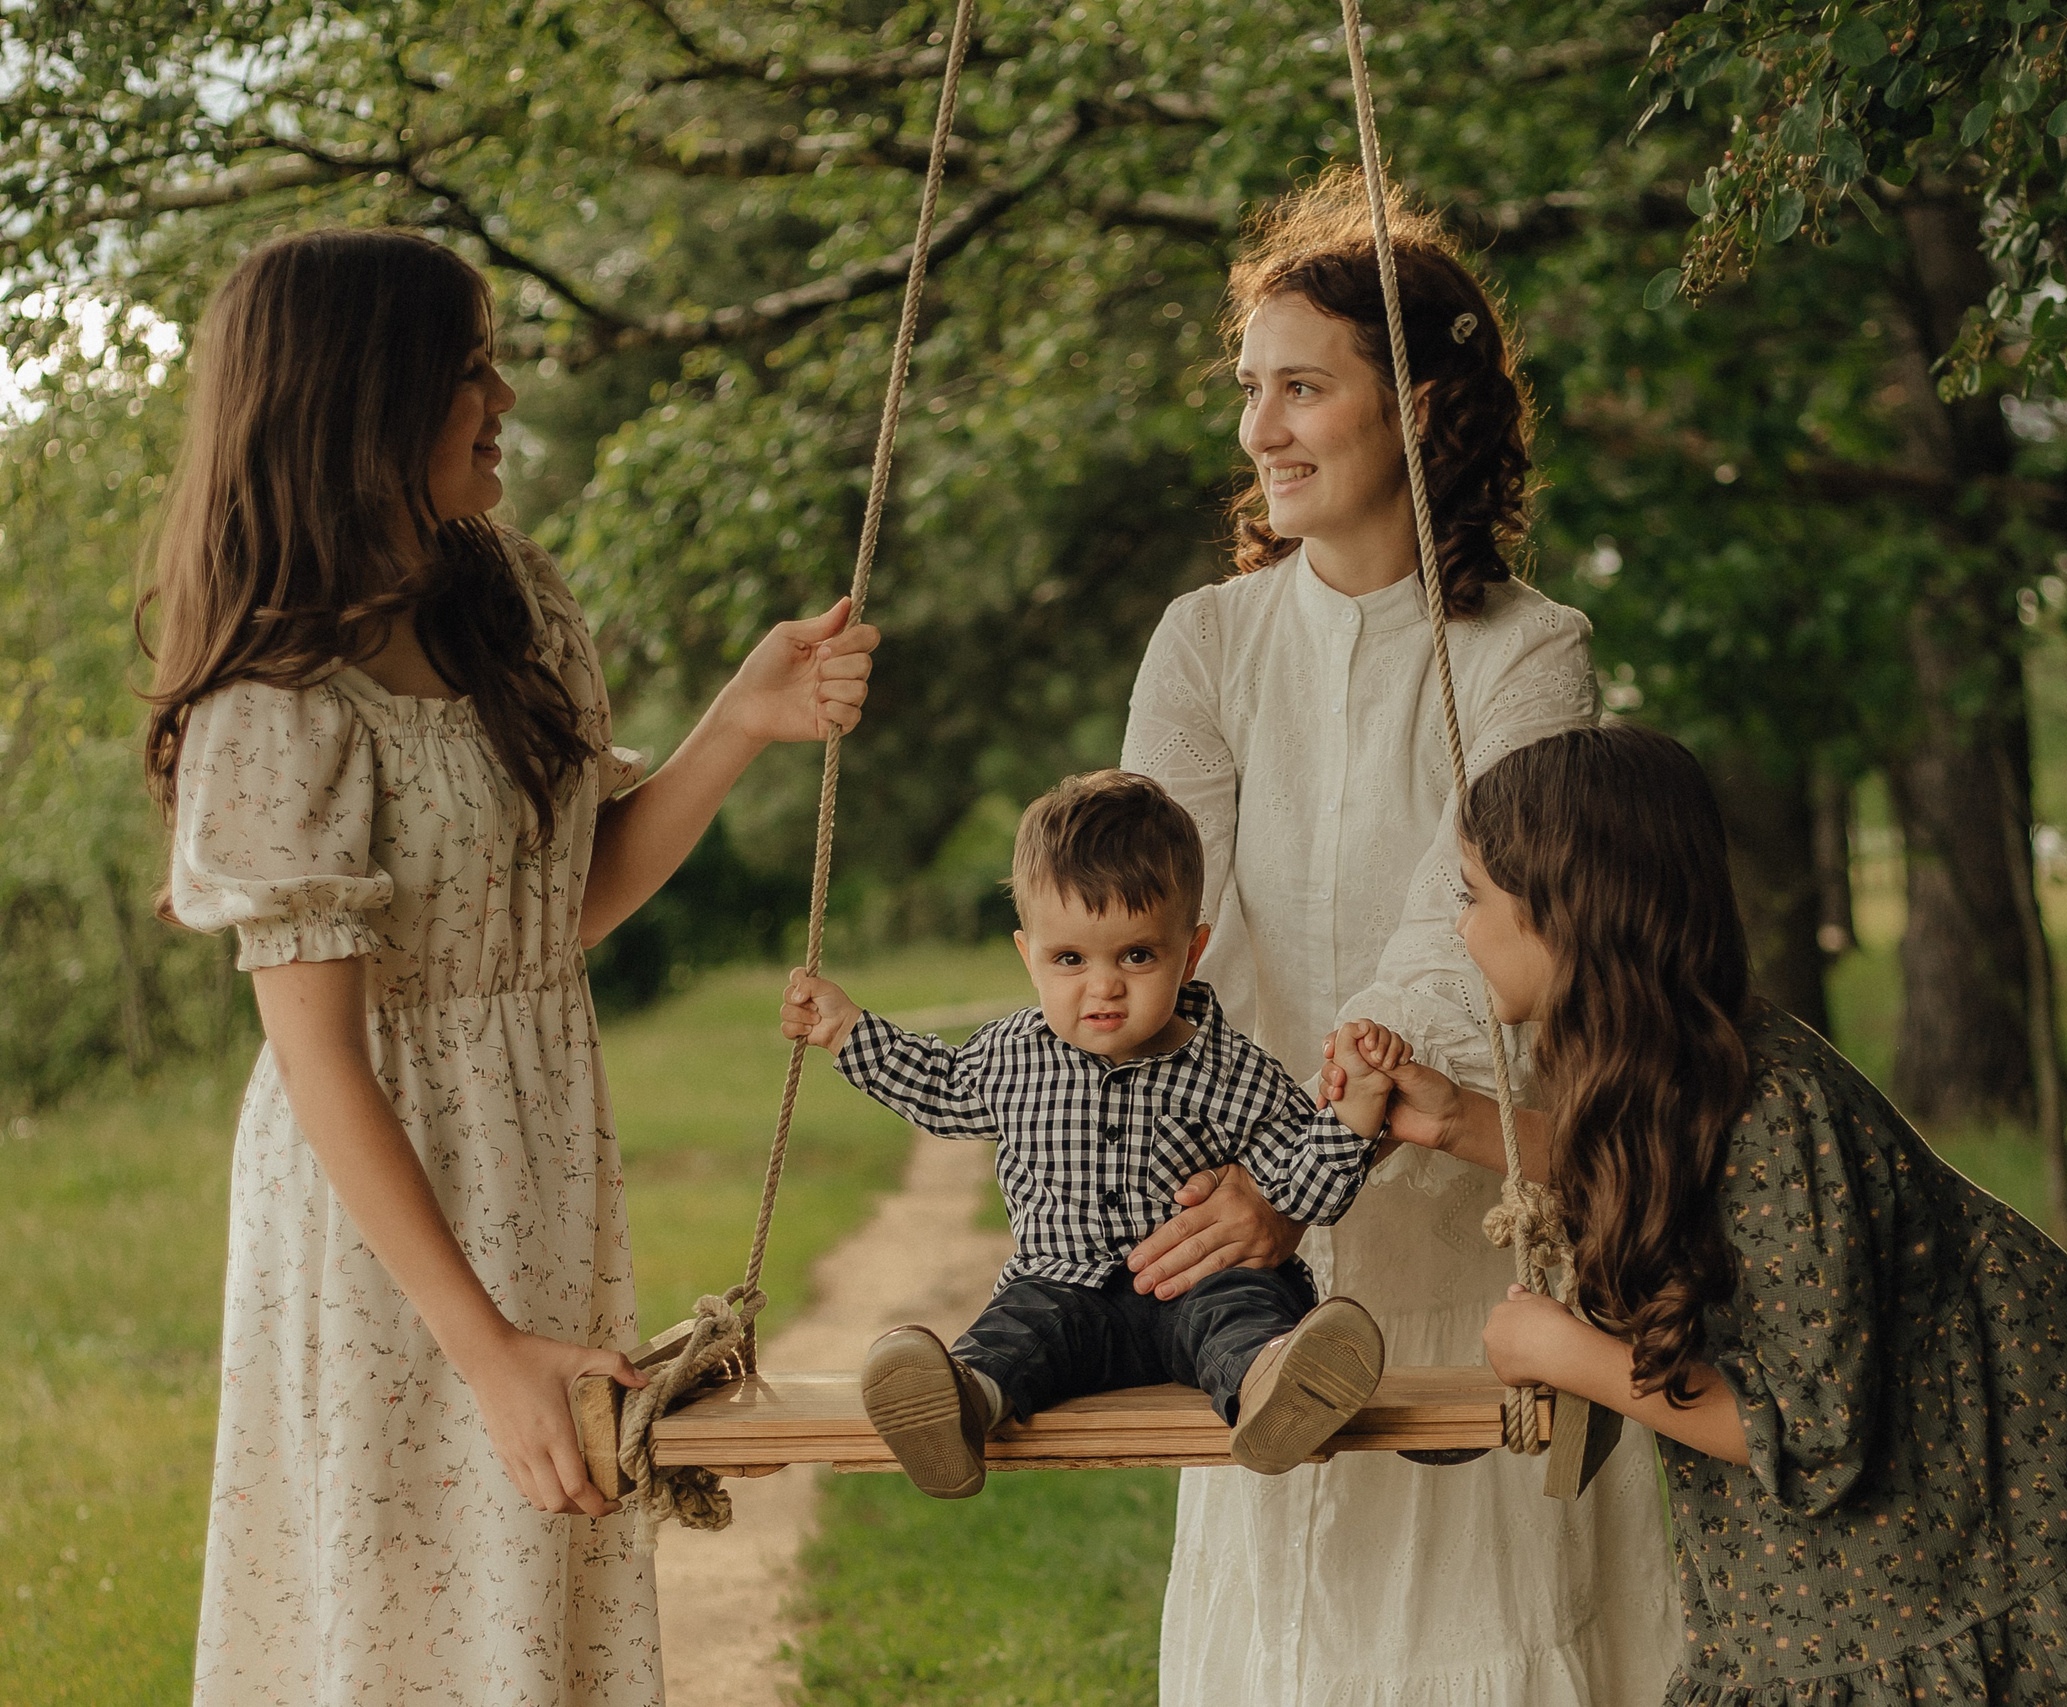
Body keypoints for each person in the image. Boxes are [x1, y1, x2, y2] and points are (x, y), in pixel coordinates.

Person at [149, 228, 877, 1705]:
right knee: (403, 1607)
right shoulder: (278, 697)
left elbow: (557, 908)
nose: (505, 397)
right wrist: (483, 1345)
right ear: (364, 399)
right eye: (468, 368)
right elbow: (319, 1054)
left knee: (535, 1588)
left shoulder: (511, 599)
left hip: (536, 1163)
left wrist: (742, 719)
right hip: (381, 1217)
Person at [1334, 723, 2067, 1706]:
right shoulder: (1671, 1058)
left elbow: (1812, 1432)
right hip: (1880, 1527)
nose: (1462, 927)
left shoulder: (1777, 1112)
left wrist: (1564, 1351)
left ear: (1567, 912)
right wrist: (1461, 1122)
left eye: (1474, 897)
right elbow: (1673, 1170)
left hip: (1996, 1477)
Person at [1118, 172, 1681, 1703]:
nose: (1261, 428)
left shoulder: (1528, 654)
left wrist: (1311, 1166)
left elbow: (1460, 943)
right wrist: (1234, 1169)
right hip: (1246, 1239)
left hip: (1459, 1230)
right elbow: (1163, 933)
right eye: (1250, 389)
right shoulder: (1206, 642)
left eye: (1302, 387)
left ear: (1418, 406)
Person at [779, 769, 1409, 1497]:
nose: (1103, 985)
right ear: (1029, 956)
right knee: (1018, 1332)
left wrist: (1356, 1110)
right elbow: (940, 1087)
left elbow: (1301, 1187)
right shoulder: (1014, 1056)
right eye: (1070, 959)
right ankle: (960, 1405)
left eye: (1137, 955)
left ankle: (1276, 1388)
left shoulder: (1233, 1070)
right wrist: (848, 1031)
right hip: (1064, 1289)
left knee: (1243, 1313)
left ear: (1190, 951)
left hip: (1201, 1286)